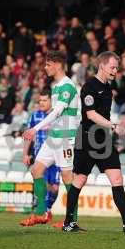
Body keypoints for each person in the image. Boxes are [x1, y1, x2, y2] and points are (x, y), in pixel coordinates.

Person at [63, 51, 125, 233]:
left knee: (117, 177)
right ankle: (68, 223)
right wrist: (113, 125)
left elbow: (103, 116)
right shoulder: (89, 86)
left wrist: (117, 128)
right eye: (112, 67)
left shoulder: (109, 88)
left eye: (116, 67)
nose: (115, 70)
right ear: (102, 66)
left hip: (103, 140)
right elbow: (91, 114)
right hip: (87, 138)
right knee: (79, 179)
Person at [20, 50, 79, 227]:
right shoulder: (56, 87)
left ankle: (72, 220)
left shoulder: (68, 86)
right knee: (36, 170)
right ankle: (41, 213)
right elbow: (54, 116)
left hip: (65, 139)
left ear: (58, 65)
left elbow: (57, 112)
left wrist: (35, 129)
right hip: (53, 137)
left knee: (68, 178)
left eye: (48, 64)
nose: (45, 68)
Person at [22, 88, 62, 225]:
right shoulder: (35, 115)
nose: (42, 103)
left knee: (55, 188)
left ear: (51, 100)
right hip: (41, 158)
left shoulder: (57, 114)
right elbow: (28, 136)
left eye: (45, 100)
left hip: (56, 157)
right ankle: (41, 212)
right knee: (42, 184)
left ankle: (47, 209)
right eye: (40, 101)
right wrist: (25, 153)